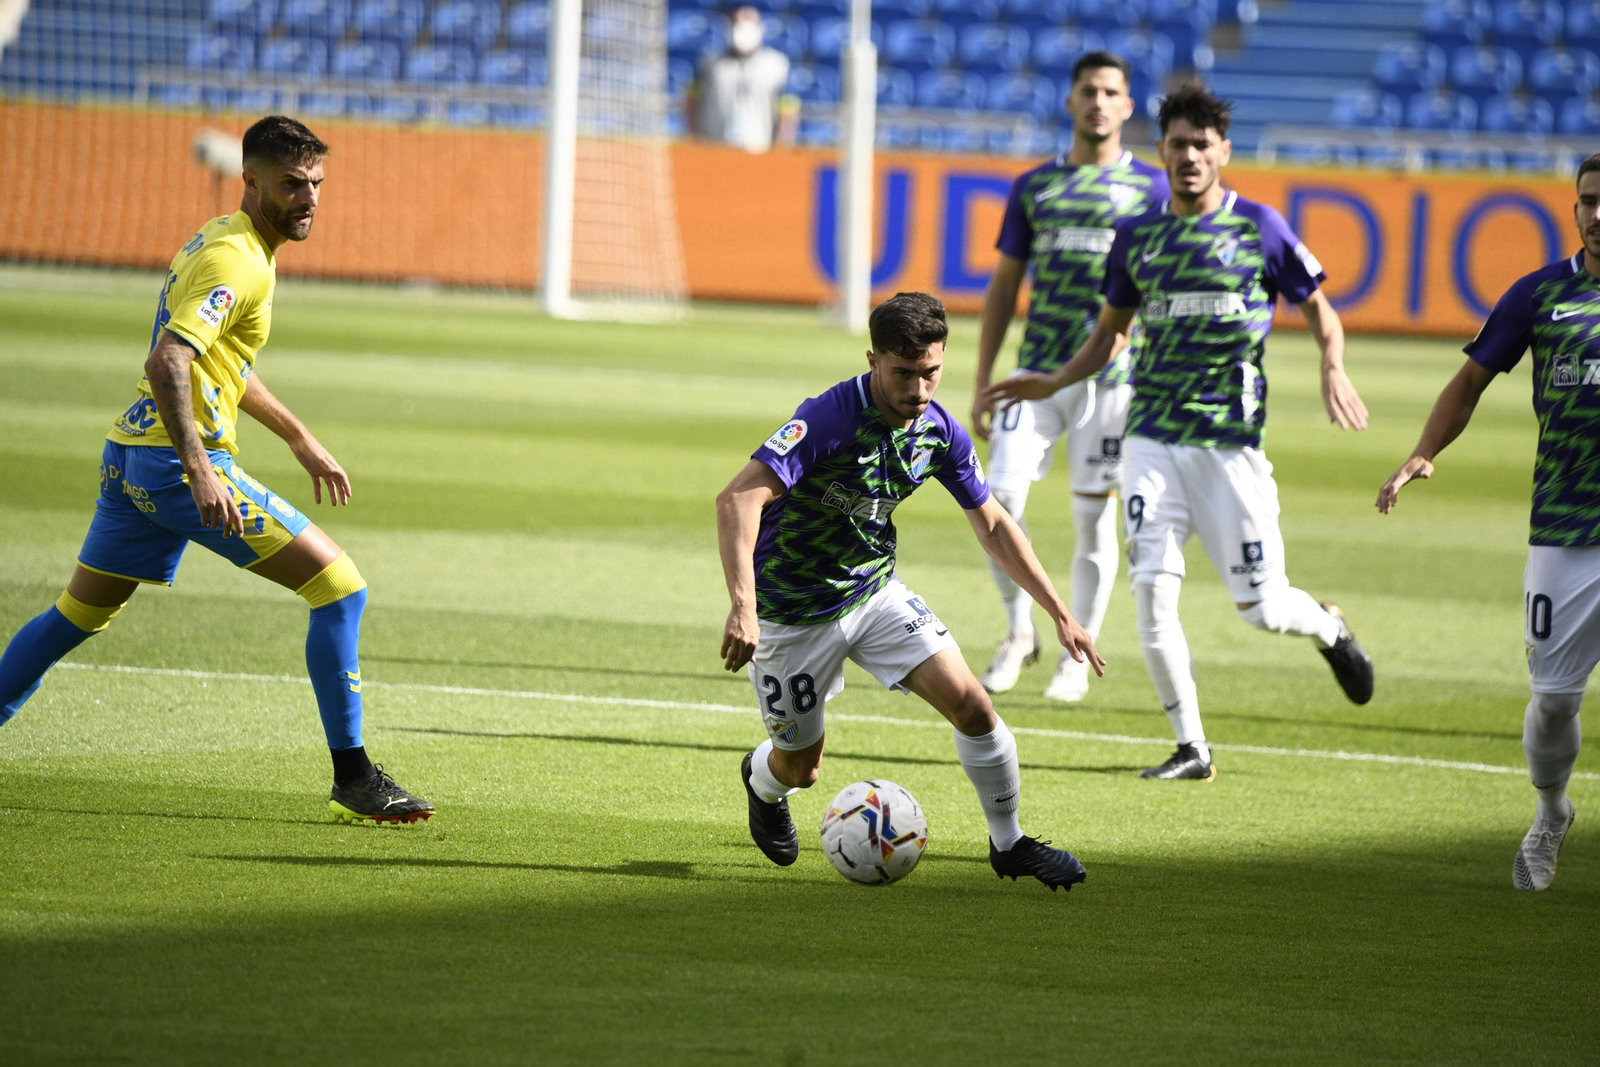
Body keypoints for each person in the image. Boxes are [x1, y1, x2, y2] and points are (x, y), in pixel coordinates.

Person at [0, 116, 433, 825]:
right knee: (339, 587)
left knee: (76, 615)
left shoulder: (224, 238)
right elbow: (169, 358)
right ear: (252, 181)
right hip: (174, 464)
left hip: (131, 455)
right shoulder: (239, 262)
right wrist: (200, 470)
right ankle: (355, 778)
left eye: (317, 183)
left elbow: (219, 359)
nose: (309, 198)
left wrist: (296, 435)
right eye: (292, 184)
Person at [986, 84, 1374, 781]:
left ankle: (1328, 626)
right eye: (1178, 145)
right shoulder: (1137, 236)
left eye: (1202, 144)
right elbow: (1111, 334)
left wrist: (1332, 366)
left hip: (1229, 446)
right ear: (1161, 152)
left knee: (1262, 607)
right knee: (1152, 589)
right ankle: (1193, 746)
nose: (1190, 156)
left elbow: (1320, 308)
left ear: (1223, 152)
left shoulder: (1259, 226)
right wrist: (1052, 381)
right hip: (1151, 438)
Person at [716, 292, 1103, 889]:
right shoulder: (828, 419)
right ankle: (762, 782)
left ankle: (1009, 844)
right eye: (903, 374)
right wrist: (744, 606)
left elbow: (994, 524)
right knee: (800, 769)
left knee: (974, 706)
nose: (919, 390)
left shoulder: (939, 432)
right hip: (792, 612)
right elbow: (738, 498)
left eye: (931, 372)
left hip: (873, 593)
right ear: (873, 360)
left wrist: (1059, 612)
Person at [1376, 154, 1600, 890]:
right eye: (1589, 201)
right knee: (1554, 702)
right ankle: (1551, 809)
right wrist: (1423, 451)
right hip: (1566, 526)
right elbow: (1469, 380)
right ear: (1575, 208)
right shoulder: (1539, 294)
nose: (1598, 215)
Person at [972, 51, 1169, 702]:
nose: (1098, 102)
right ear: (1070, 102)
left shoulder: (1154, 190)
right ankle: (1018, 631)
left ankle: (1076, 655)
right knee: (997, 498)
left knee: (1092, 522)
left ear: (1128, 106)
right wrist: (983, 377)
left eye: (1111, 92)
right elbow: (1004, 285)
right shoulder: (1035, 187)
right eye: (1088, 90)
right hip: (1034, 375)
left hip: (1111, 382)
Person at [691, 5, 796, 154]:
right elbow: (691, 100)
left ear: (761, 28)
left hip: (759, 149)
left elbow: (788, 110)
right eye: (739, 24)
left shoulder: (778, 65)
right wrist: (695, 138)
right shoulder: (710, 62)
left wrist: (781, 148)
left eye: (750, 24)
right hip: (715, 149)